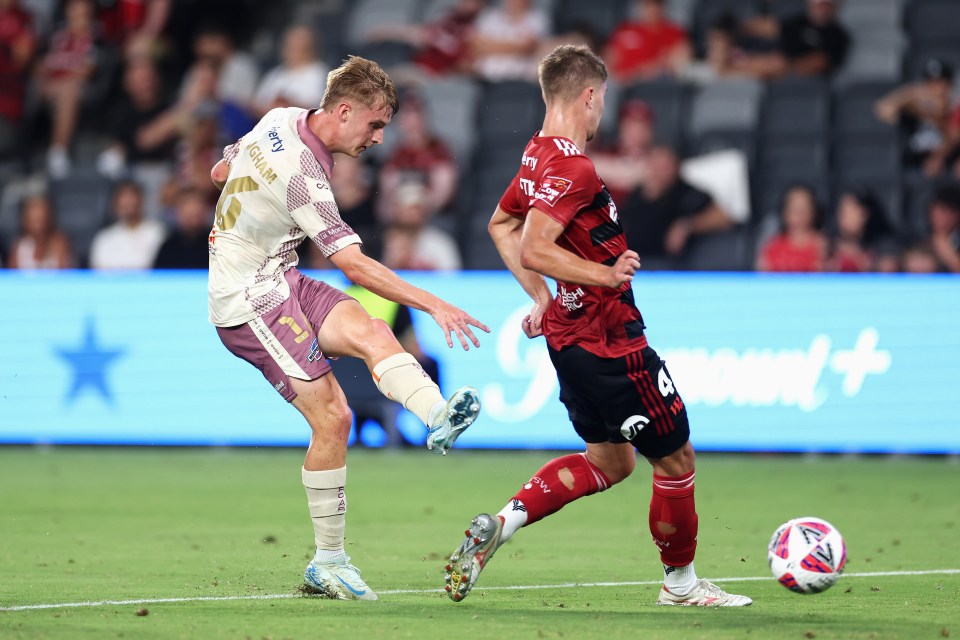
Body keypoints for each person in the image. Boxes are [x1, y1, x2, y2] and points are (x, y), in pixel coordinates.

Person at [442, 44, 752, 607]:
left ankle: (504, 523)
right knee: (677, 461)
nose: (601, 109)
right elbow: (534, 245)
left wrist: (543, 299)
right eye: (603, 98)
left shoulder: (536, 157)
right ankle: (680, 586)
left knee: (611, 461)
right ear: (588, 95)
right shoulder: (574, 166)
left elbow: (500, 224)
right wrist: (602, 276)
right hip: (612, 345)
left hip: (569, 340)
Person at [207, 56, 488, 601]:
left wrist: (234, 186)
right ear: (342, 110)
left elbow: (223, 170)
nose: (379, 138)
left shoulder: (282, 118)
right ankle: (328, 562)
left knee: (368, 329)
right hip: (245, 299)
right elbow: (356, 266)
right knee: (335, 418)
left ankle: (437, 414)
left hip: (281, 276)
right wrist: (434, 305)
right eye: (376, 124)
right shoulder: (306, 177)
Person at [621, 145, 735, 266]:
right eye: (656, 166)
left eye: (665, 167)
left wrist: (688, 225)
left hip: (672, 266)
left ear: (676, 167)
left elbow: (724, 218)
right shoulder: (638, 194)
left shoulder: (687, 193)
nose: (659, 172)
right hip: (634, 264)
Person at [875, 58, 956, 175]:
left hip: (945, 158)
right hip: (916, 158)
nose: (935, 88)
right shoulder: (915, 101)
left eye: (940, 83)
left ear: (949, 85)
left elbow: (952, 136)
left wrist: (933, 114)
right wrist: (910, 97)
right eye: (931, 83)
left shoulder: (954, 106)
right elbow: (884, 109)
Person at [736, 0, 850, 80]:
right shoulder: (799, 21)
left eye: (824, 5)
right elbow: (771, 27)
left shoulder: (837, 34)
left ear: (833, 8)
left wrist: (788, 68)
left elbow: (821, 62)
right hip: (773, 59)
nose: (820, 9)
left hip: (802, 77)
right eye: (817, 4)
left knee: (771, 63)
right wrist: (739, 27)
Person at [604, 0, 690, 84]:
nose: (652, 9)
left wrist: (642, 73)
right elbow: (608, 59)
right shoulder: (624, 30)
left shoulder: (674, 33)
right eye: (648, 4)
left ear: (663, 7)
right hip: (619, 85)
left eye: (656, 4)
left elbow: (679, 61)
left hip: (653, 84)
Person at [381, 183, 462, 271]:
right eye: (406, 208)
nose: (411, 214)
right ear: (396, 210)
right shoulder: (383, 241)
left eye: (416, 209)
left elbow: (453, 277)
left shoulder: (440, 241)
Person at [89, 180, 166, 270]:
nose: (128, 202)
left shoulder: (158, 232)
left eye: (132, 196)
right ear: (115, 203)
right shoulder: (104, 238)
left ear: (141, 200)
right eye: (123, 197)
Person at [253, 25, 329, 117]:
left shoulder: (320, 73)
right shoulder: (275, 73)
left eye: (298, 46)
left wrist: (288, 105)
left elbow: (319, 109)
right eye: (289, 46)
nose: (292, 51)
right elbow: (257, 105)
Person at [469, 0, 549, 82]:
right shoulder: (489, 17)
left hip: (522, 81)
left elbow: (527, 48)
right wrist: (513, 46)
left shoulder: (537, 18)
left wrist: (491, 46)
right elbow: (476, 46)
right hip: (487, 80)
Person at [825, 186, 897, 273]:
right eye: (842, 211)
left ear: (864, 214)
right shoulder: (828, 245)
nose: (843, 217)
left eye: (850, 211)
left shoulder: (884, 246)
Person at [756, 184, 825, 272]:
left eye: (803, 208)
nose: (799, 213)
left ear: (813, 211)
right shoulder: (773, 246)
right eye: (794, 208)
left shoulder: (823, 246)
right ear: (785, 212)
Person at [7, 194, 73, 269]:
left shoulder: (61, 244)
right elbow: (12, 277)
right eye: (34, 220)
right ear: (25, 219)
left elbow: (66, 277)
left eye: (41, 218)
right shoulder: (19, 246)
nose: (38, 225)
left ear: (49, 217)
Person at [153, 186, 210, 269]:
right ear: (177, 211)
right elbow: (158, 278)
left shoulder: (219, 244)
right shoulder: (168, 248)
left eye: (198, 203)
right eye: (186, 203)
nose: (193, 209)